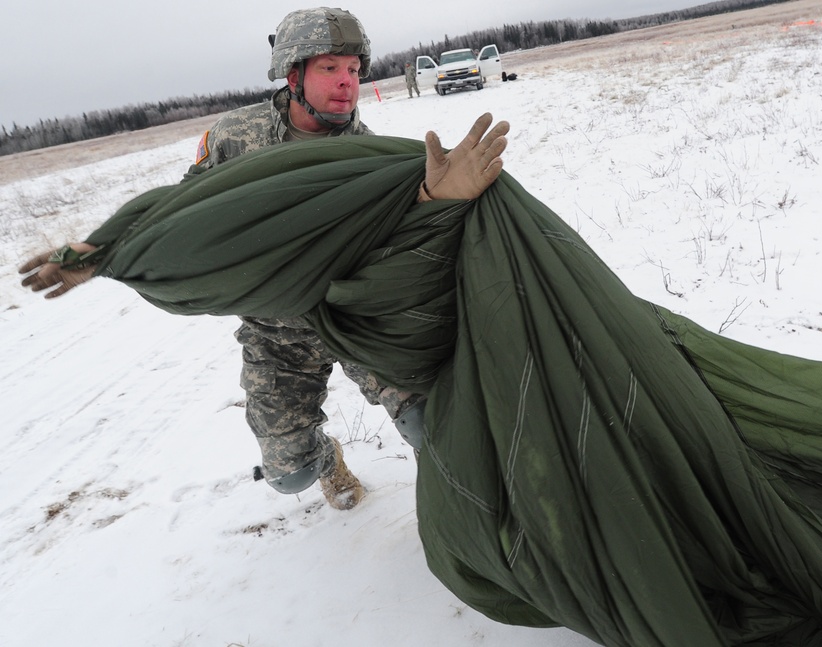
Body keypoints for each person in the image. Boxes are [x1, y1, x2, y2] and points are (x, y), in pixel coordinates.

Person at [18, 7, 508, 512]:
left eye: (355, 70)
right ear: (293, 74)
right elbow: (183, 212)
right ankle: (327, 459)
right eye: (329, 68)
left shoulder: (371, 157)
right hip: (276, 335)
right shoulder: (238, 137)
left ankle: (465, 516)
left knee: (430, 426)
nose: (347, 83)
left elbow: (403, 242)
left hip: (358, 321)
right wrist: (103, 251)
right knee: (289, 477)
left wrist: (437, 199)